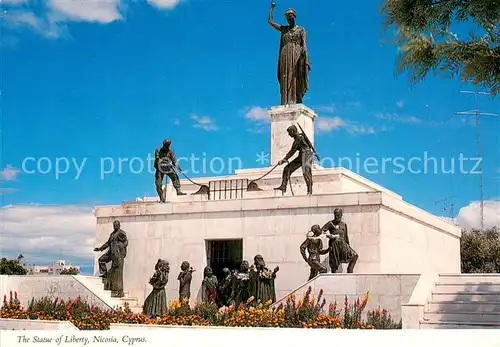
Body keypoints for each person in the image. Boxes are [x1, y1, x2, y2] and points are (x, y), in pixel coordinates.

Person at [268, 3, 310, 105]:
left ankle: (296, 99)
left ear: (294, 17)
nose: (289, 19)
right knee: (285, 76)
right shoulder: (284, 29)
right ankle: (285, 101)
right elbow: (270, 22)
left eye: (291, 17)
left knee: (295, 76)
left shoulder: (301, 30)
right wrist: (271, 9)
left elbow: (304, 45)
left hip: (296, 55)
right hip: (285, 55)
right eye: (287, 17)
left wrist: (306, 58)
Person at [275, 125, 314, 194]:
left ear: (293, 131)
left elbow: (292, 151)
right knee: (287, 169)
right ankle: (283, 186)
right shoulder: (298, 137)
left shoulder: (299, 138)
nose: (289, 134)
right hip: (301, 154)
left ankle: (309, 190)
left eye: (289, 132)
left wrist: (284, 159)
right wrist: (285, 159)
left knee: (306, 172)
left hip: (307, 155)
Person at [94, 220, 128, 297]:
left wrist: (120, 249)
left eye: (116, 225)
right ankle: (104, 273)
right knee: (101, 260)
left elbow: (126, 242)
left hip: (118, 254)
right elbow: (108, 243)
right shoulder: (112, 234)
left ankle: (119, 291)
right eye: (114, 225)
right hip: (111, 253)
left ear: (119, 225)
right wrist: (100, 249)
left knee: (118, 273)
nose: (115, 226)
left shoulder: (121, 233)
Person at [322, 208, 358, 273]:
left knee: (355, 256)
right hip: (334, 245)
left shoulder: (343, 224)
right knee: (334, 265)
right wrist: (329, 236)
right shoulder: (330, 223)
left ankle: (350, 271)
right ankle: (334, 278)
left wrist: (348, 246)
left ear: (341, 215)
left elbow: (346, 236)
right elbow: (322, 232)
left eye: (338, 215)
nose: (336, 217)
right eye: (335, 215)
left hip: (343, 245)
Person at [154, 138, 185, 202]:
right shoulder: (158, 150)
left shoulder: (171, 151)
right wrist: (166, 163)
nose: (166, 147)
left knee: (175, 176)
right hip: (160, 168)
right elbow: (158, 160)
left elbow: (174, 160)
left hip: (168, 168)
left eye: (168, 146)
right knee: (158, 183)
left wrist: (178, 167)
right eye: (165, 146)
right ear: (163, 145)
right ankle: (161, 197)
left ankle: (178, 191)